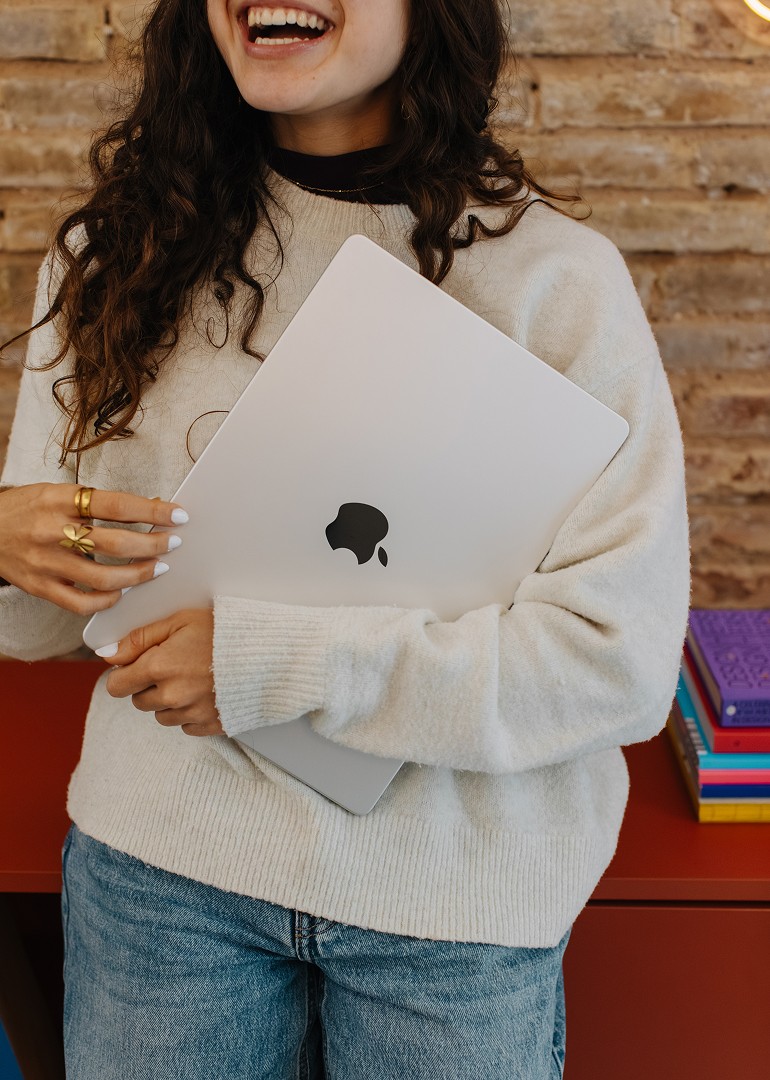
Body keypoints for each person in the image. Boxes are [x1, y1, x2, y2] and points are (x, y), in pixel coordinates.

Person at [0, 1, 691, 1077]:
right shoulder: (114, 257)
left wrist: (270, 665)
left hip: (452, 909)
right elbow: (51, 625)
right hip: (163, 878)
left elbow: (617, 665)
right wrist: (10, 546)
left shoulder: (558, 286)